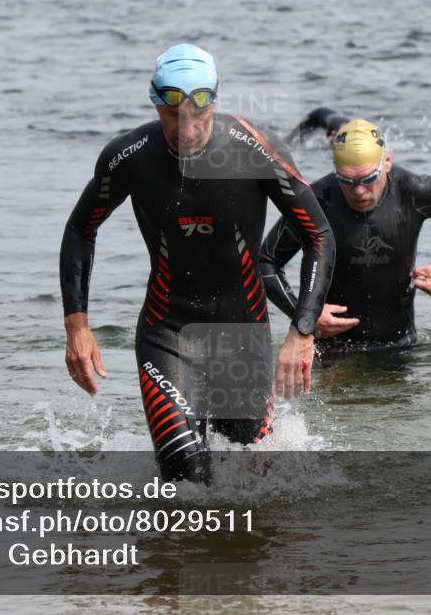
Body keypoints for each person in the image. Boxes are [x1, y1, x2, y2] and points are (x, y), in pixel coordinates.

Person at [59, 45, 334, 482]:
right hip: (167, 330)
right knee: (184, 473)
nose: (186, 129)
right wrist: (77, 327)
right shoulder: (129, 157)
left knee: (251, 476)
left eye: (198, 115)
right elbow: (80, 229)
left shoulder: (255, 149)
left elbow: (318, 234)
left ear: (214, 101)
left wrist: (302, 330)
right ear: (155, 102)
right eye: (173, 115)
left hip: (242, 334)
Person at [261, 110, 431, 354]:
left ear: (387, 163)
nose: (359, 191)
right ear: (336, 170)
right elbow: (266, 261)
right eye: (347, 181)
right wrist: (306, 316)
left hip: (401, 347)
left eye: (368, 178)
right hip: (333, 351)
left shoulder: (413, 191)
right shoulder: (318, 200)